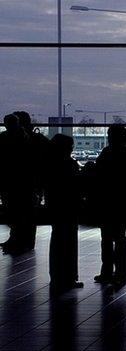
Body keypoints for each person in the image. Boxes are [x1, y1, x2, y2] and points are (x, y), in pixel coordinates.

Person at [94, 125, 126, 286]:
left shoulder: (107, 153)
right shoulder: (125, 155)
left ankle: (108, 271)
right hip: (120, 202)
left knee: (107, 238)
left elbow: (99, 175)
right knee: (119, 238)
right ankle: (121, 271)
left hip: (107, 201)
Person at [46, 134, 84, 291]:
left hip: (56, 206)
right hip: (69, 207)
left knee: (57, 240)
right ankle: (69, 276)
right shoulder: (70, 164)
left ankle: (56, 275)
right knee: (69, 243)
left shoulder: (50, 164)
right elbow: (77, 186)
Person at [15, 111, 49, 250]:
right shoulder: (38, 139)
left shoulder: (15, 140)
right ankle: (27, 241)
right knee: (29, 212)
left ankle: (19, 239)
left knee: (18, 211)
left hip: (20, 181)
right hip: (33, 181)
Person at [0, 114, 27, 252]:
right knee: (18, 211)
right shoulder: (24, 138)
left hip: (8, 180)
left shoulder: (4, 138)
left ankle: (15, 238)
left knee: (10, 210)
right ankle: (18, 239)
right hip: (20, 180)